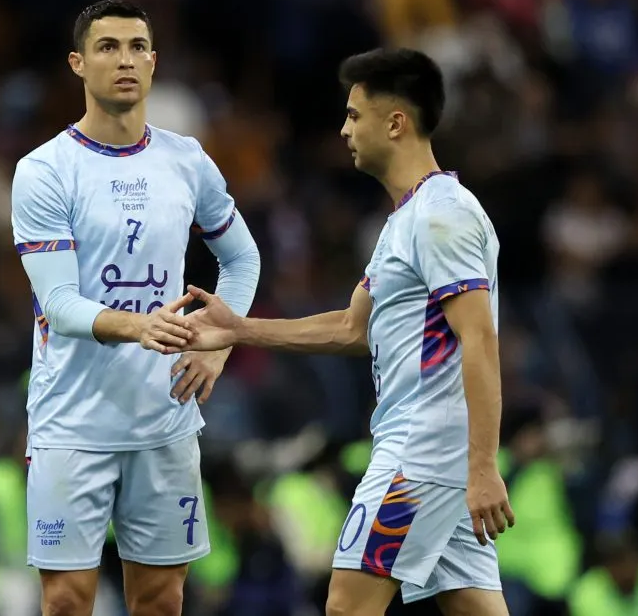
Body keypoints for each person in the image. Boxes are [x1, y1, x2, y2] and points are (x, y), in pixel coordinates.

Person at [166, 48, 514, 615]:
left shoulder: (442, 217)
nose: (344, 129)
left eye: (355, 115)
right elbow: (353, 328)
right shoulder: (408, 219)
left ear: (395, 122)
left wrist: (482, 467)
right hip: (433, 456)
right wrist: (237, 328)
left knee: (347, 607)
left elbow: (479, 340)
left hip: (422, 455)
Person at [10, 0, 261, 616]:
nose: (125, 60)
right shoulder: (44, 170)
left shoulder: (186, 159)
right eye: (107, 47)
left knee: (160, 599)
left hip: (164, 420)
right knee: (67, 601)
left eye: (137, 47)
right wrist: (140, 325)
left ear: (154, 62)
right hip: (72, 423)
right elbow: (61, 305)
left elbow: (244, 261)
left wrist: (220, 344)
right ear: (78, 63)